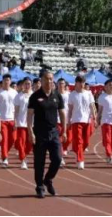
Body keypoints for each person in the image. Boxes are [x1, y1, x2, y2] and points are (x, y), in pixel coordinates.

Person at [28, 70, 67, 199]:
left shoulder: (57, 95)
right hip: (39, 133)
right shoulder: (35, 96)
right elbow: (29, 115)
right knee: (39, 161)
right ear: (41, 80)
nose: (49, 81)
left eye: (51, 79)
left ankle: (48, 179)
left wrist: (64, 130)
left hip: (54, 132)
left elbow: (62, 113)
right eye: (46, 79)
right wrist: (30, 132)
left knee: (57, 158)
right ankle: (39, 187)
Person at [68, 76, 97, 170]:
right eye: (80, 82)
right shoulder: (72, 94)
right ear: (76, 83)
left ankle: (77, 151)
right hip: (76, 120)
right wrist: (68, 120)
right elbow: (70, 109)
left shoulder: (88, 93)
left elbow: (92, 106)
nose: (81, 84)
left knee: (86, 142)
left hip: (87, 120)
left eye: (83, 82)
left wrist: (95, 118)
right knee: (79, 141)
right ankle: (80, 160)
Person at [97, 79, 112, 165]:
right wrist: (97, 119)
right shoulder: (102, 97)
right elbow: (100, 110)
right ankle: (110, 156)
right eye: (110, 85)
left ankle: (108, 152)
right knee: (108, 140)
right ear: (105, 87)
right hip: (105, 121)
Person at [0, 74, 18, 167]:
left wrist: (16, 119)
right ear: (2, 81)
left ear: (10, 81)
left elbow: (17, 107)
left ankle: (4, 152)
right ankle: (5, 158)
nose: (6, 82)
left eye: (8, 80)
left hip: (12, 119)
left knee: (13, 139)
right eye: (5, 80)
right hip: (2, 120)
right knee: (4, 139)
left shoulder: (14, 92)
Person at [14, 78, 33, 170]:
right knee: (21, 141)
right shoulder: (19, 96)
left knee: (30, 144)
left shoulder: (34, 95)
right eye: (25, 84)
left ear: (31, 85)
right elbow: (16, 110)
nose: (27, 85)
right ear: (23, 85)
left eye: (29, 84)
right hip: (21, 123)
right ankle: (23, 160)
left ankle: (25, 154)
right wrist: (15, 121)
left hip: (32, 123)